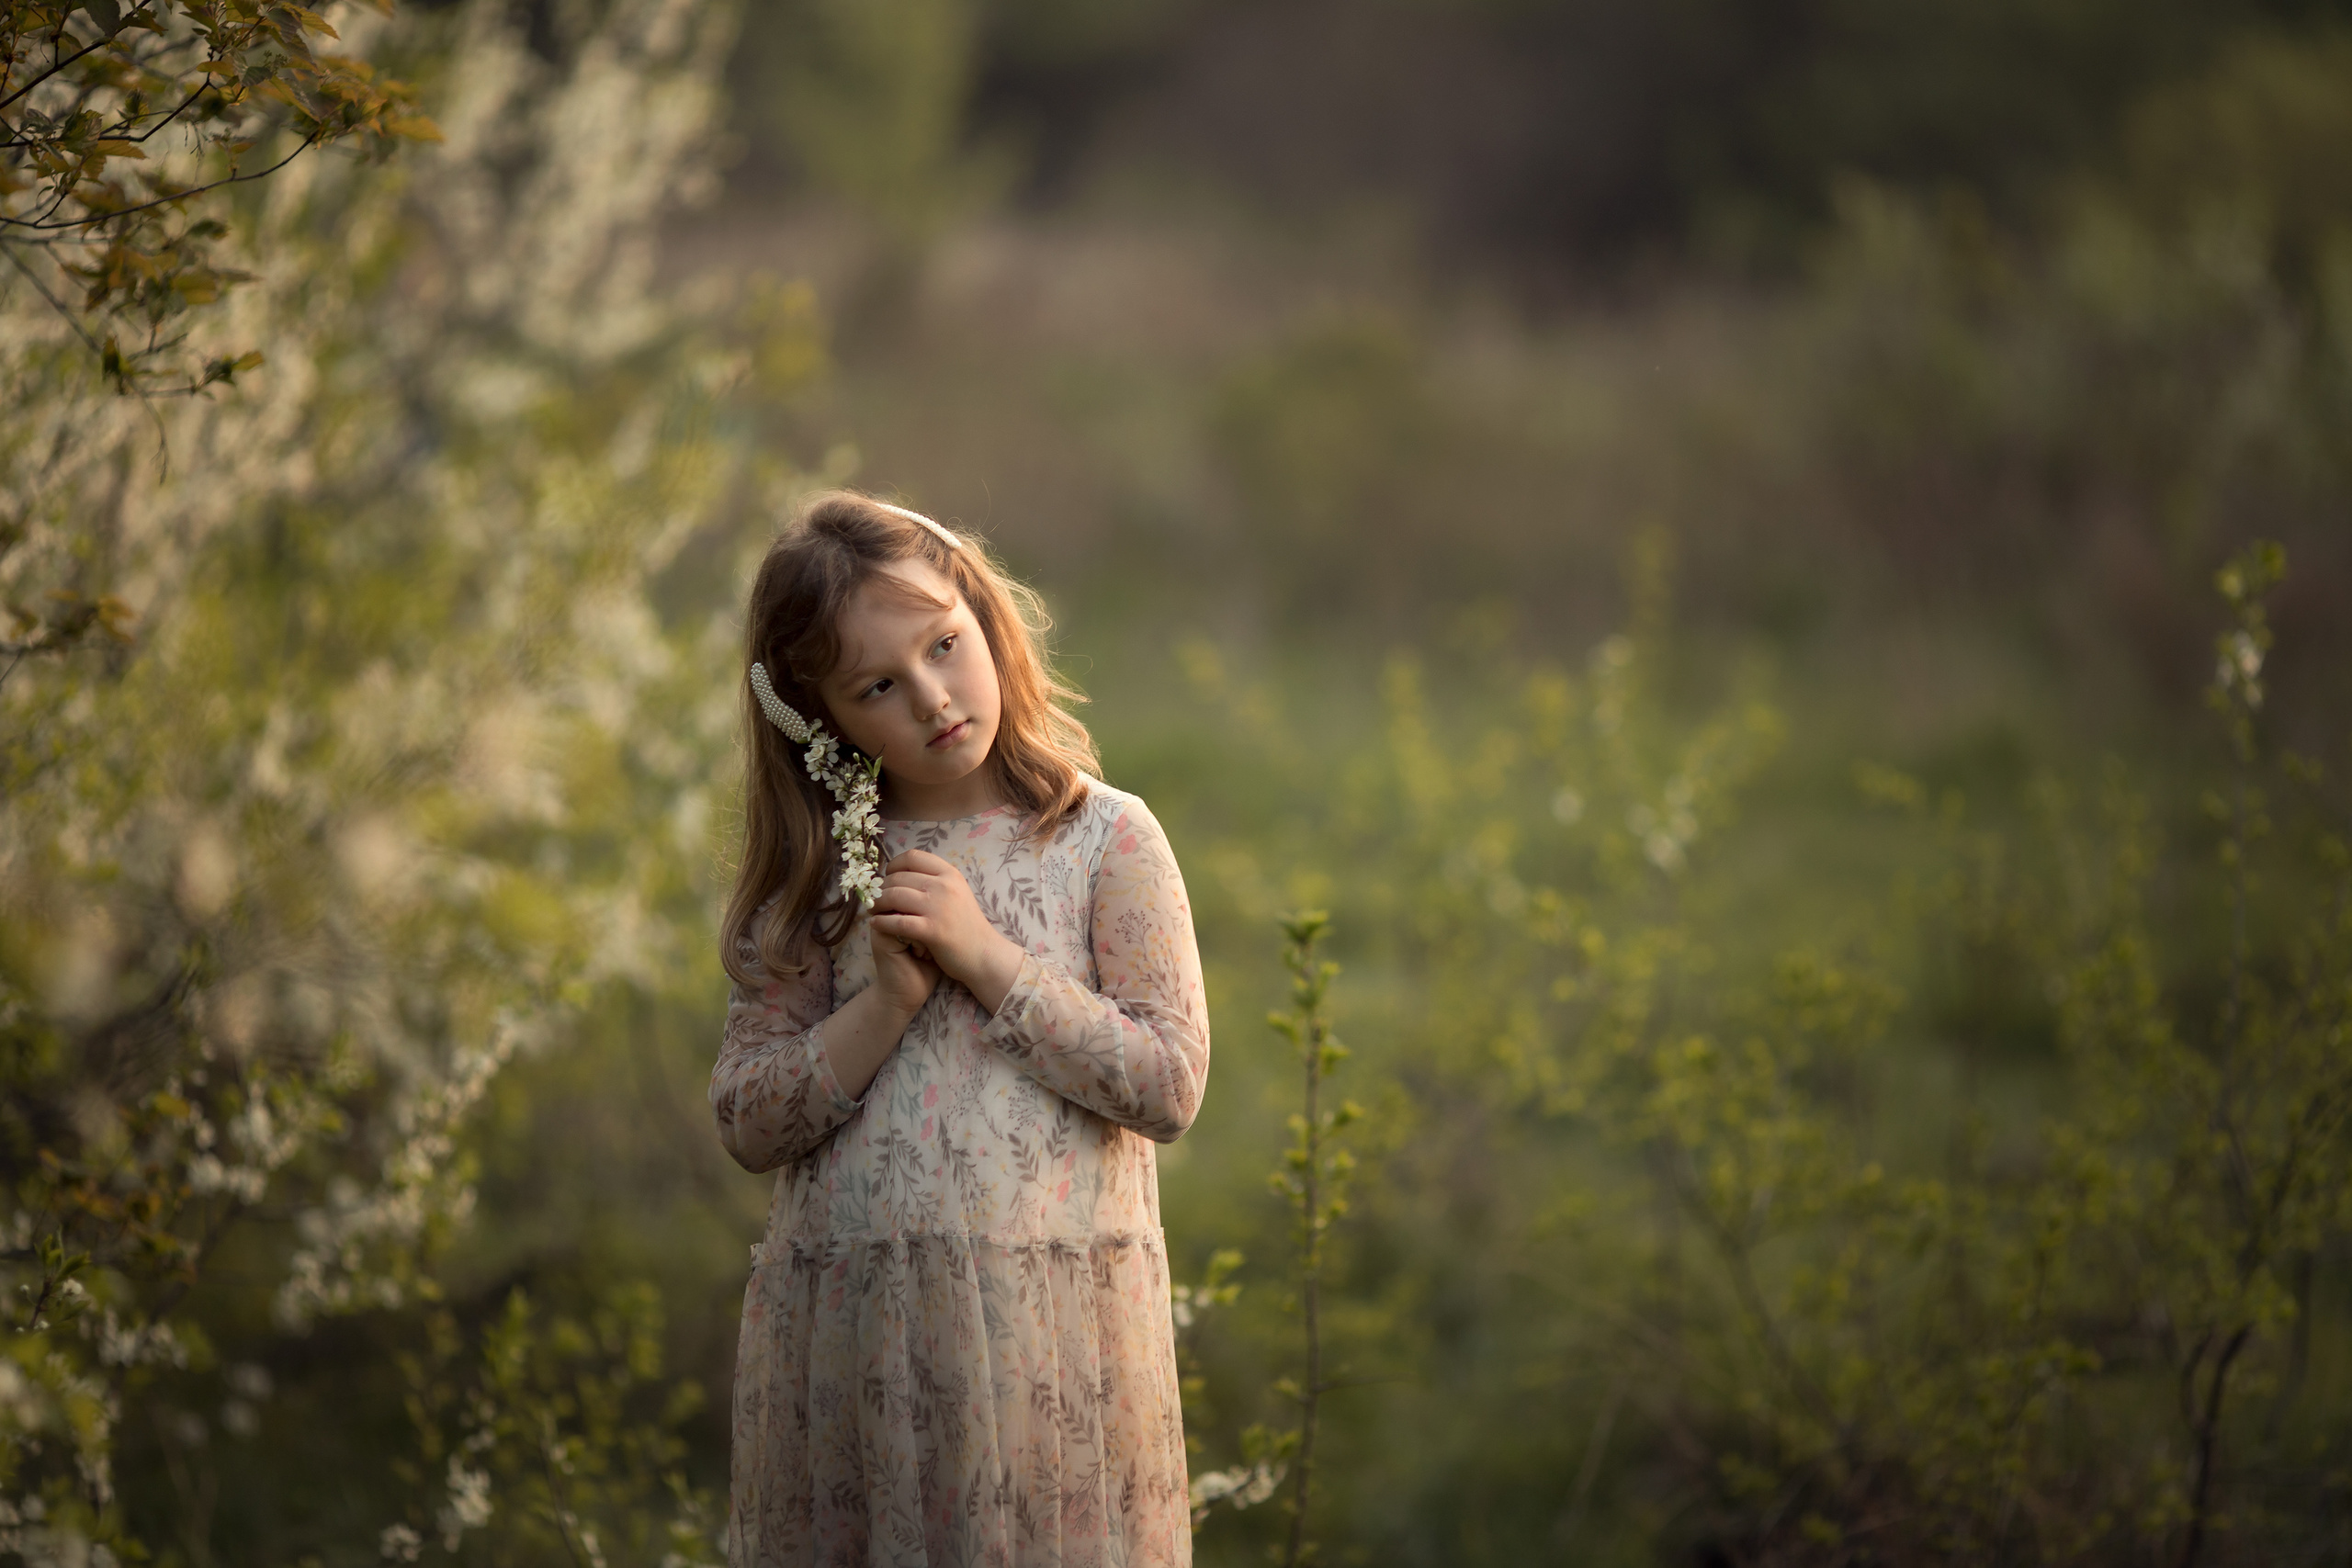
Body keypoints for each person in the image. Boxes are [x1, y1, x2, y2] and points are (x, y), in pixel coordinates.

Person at [711, 490, 1209, 1567]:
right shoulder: (818, 880)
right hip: (860, 1346)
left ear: (985, 615)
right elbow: (747, 1121)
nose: (934, 697)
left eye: (945, 644)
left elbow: (1167, 1085)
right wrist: (884, 1006)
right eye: (877, 686)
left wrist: (989, 961)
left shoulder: (1101, 840)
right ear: (820, 717)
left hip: (1052, 1349)